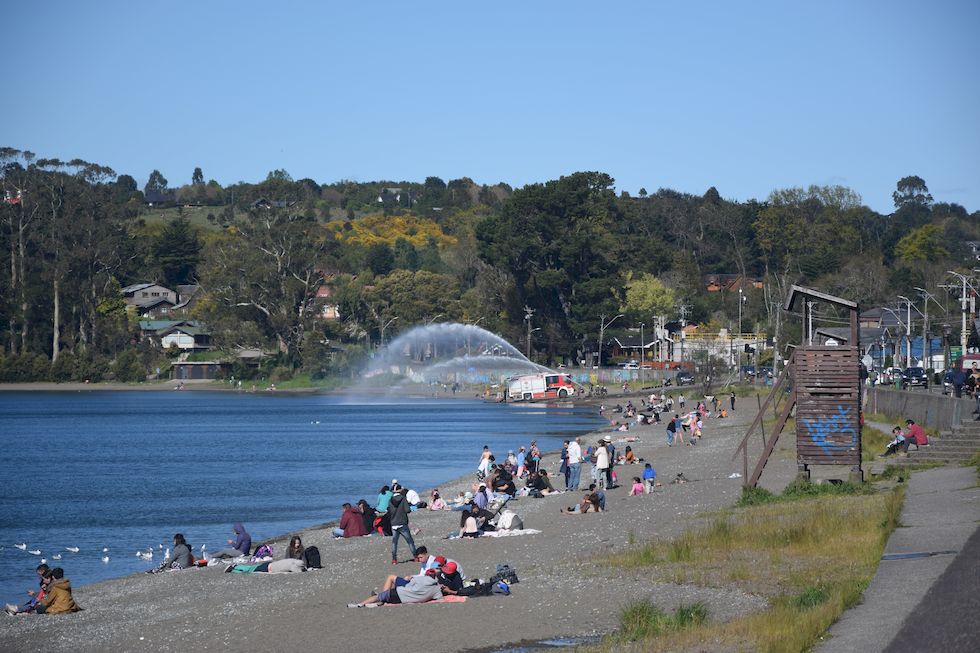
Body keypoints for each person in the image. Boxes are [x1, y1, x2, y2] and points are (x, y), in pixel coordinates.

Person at [347, 568, 443, 607]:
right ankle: (383, 598)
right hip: (403, 600)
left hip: (401, 593)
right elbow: (439, 598)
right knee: (384, 595)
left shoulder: (422, 579)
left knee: (378, 596)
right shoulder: (437, 589)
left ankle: (359, 604)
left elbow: (409, 584)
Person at [388, 488, 417, 564]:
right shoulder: (403, 498)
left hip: (394, 523)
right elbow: (407, 510)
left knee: (394, 543)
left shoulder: (390, 500)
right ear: (400, 490)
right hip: (402, 523)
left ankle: (394, 560)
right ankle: (416, 557)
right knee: (410, 541)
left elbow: (389, 511)